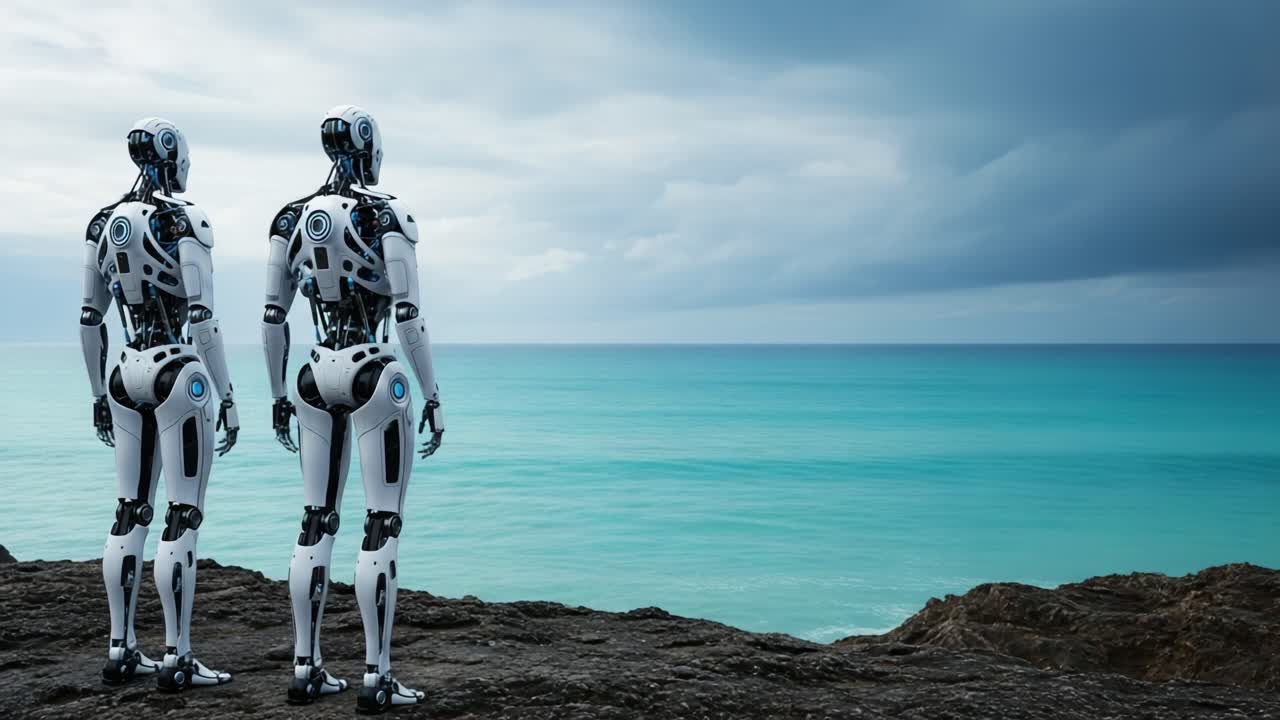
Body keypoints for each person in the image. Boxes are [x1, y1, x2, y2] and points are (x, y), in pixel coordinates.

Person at [262, 105, 445, 712]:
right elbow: (408, 314)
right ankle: (376, 676)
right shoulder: (388, 213)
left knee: (315, 518)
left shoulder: (290, 218)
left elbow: (273, 317)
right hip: (373, 370)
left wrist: (276, 394)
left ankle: (305, 667)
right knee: (381, 523)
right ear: (372, 149)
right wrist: (432, 394)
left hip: (312, 373)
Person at [82, 118, 238, 691]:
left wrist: (97, 394)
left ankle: (120, 648)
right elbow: (203, 318)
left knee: (129, 510)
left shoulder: (103, 224)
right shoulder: (186, 221)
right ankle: (177, 656)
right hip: (177, 371)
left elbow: (90, 318)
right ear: (174, 159)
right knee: (182, 514)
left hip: (124, 371)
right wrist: (227, 395)